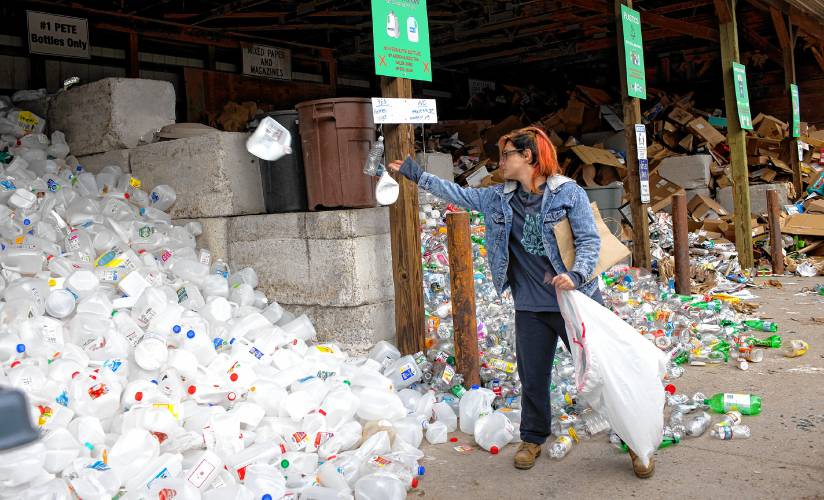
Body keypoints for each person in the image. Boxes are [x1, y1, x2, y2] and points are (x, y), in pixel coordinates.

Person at [388, 126, 653, 478]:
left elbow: (589, 241)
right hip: (530, 305)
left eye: (506, 155)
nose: (500, 163)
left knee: (602, 373)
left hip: (573, 303)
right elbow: (459, 194)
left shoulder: (567, 194)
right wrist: (416, 175)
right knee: (532, 376)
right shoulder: (500, 197)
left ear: (527, 156)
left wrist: (575, 276)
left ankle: (635, 441)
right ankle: (533, 437)